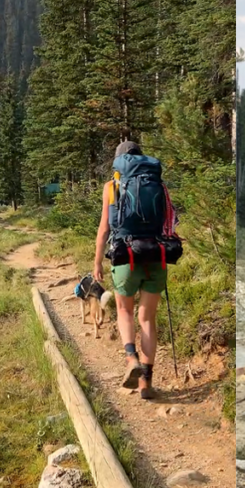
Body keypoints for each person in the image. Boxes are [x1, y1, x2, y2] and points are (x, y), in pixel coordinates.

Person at [94, 140, 166, 400]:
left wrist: (97, 262)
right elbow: (170, 222)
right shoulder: (157, 184)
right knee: (147, 318)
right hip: (156, 255)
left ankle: (130, 357)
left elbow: (104, 229)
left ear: (119, 162)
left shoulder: (111, 187)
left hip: (125, 257)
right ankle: (146, 382)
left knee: (125, 310)